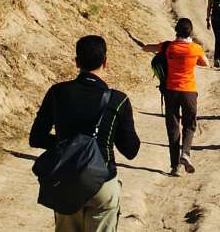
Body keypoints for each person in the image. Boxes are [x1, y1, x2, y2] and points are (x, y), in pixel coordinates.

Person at [29, 35, 141, 232]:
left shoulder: (57, 92)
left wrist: (70, 144)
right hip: (102, 181)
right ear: (105, 62)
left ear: (77, 62)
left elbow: (36, 138)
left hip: (65, 181)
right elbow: (131, 150)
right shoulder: (118, 100)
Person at [136, 18, 207, 176]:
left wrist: (143, 47)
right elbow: (206, 63)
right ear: (190, 32)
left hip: (170, 91)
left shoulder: (168, 46)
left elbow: (148, 48)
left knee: (173, 127)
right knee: (189, 124)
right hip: (189, 91)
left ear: (176, 30)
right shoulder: (195, 48)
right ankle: (186, 153)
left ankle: (175, 166)